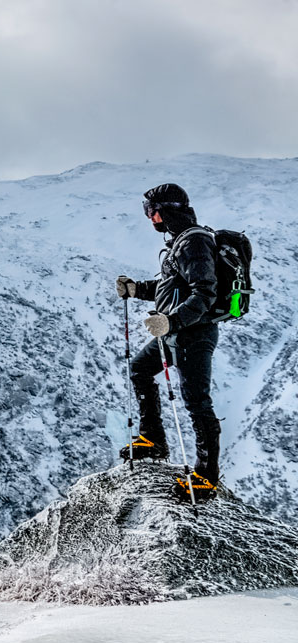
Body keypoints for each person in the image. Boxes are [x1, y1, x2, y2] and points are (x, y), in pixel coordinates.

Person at [115, 183, 220, 498]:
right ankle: (153, 439)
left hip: (193, 334)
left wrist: (171, 321)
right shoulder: (182, 242)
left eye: (152, 211)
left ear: (168, 210)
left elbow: (205, 293)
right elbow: (170, 287)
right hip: (175, 332)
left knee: (197, 401)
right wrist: (135, 289)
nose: (151, 219)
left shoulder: (194, 243)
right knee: (139, 369)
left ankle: (205, 477)